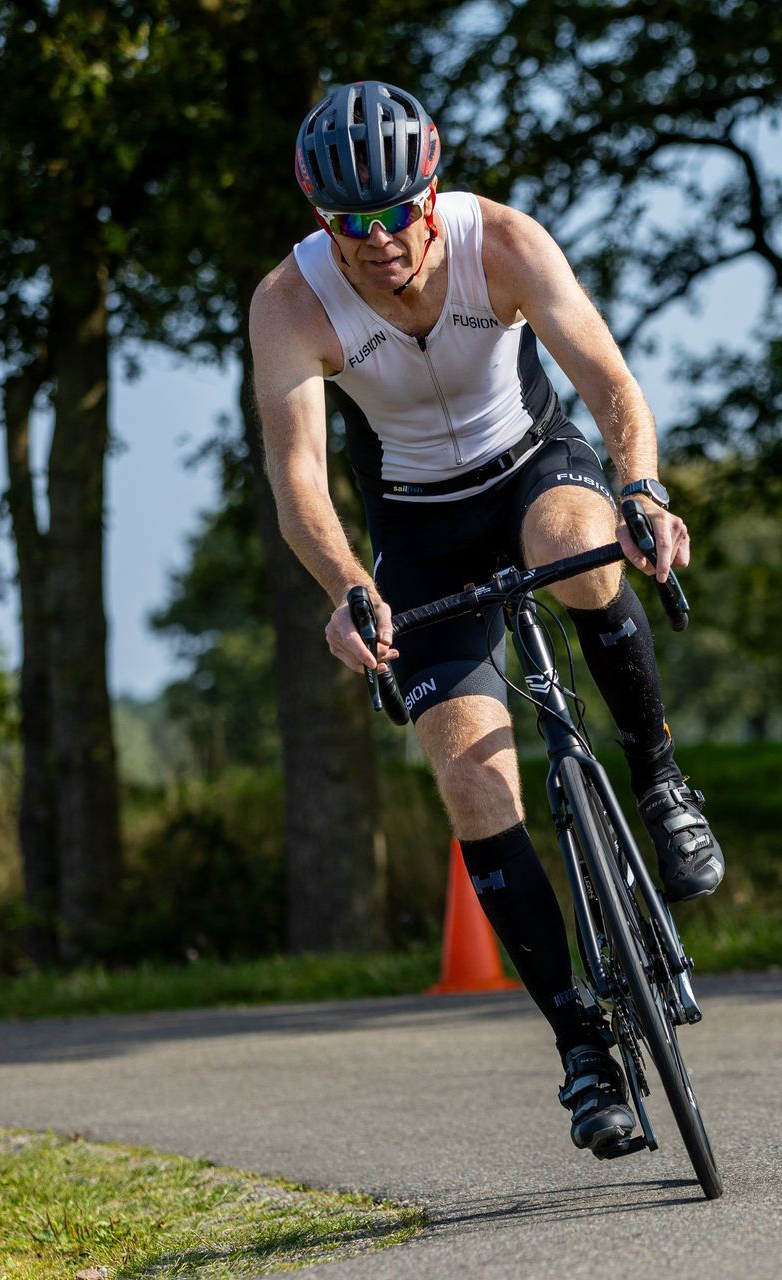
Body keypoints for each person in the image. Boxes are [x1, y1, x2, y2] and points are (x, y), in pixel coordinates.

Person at [250, 79, 725, 1159]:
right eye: (347, 223)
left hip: (533, 470)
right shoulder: (291, 301)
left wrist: (642, 489)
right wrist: (346, 588)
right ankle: (583, 1047)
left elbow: (608, 379)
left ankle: (657, 773)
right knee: (470, 779)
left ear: (432, 190)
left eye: (395, 213)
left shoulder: (499, 241)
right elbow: (298, 482)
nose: (376, 243)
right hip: (418, 530)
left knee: (574, 545)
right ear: (322, 218)